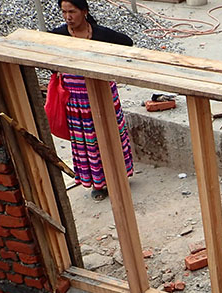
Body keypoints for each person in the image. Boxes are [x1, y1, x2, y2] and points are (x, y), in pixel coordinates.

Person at [50, 0, 134, 201]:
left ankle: (118, 178)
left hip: (104, 93)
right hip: (76, 100)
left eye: (72, 11)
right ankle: (98, 184)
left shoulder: (101, 34)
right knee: (87, 140)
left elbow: (127, 43)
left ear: (84, 12)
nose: (68, 17)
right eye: (64, 12)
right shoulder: (57, 36)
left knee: (110, 133)